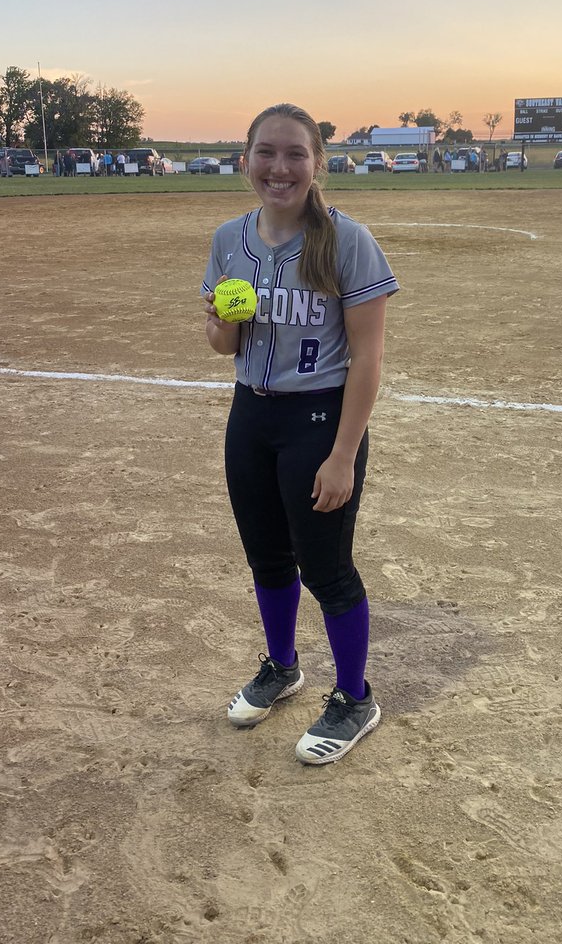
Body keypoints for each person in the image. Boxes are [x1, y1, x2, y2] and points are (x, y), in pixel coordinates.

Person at [201, 102, 399, 765]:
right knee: (266, 556)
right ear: (245, 160)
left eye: (294, 154)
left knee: (326, 567)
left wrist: (343, 454)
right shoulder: (230, 238)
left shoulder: (345, 240)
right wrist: (224, 318)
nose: (279, 168)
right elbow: (220, 343)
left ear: (317, 164)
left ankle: (354, 698)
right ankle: (283, 667)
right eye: (266, 153)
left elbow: (368, 359)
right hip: (250, 416)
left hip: (318, 420)